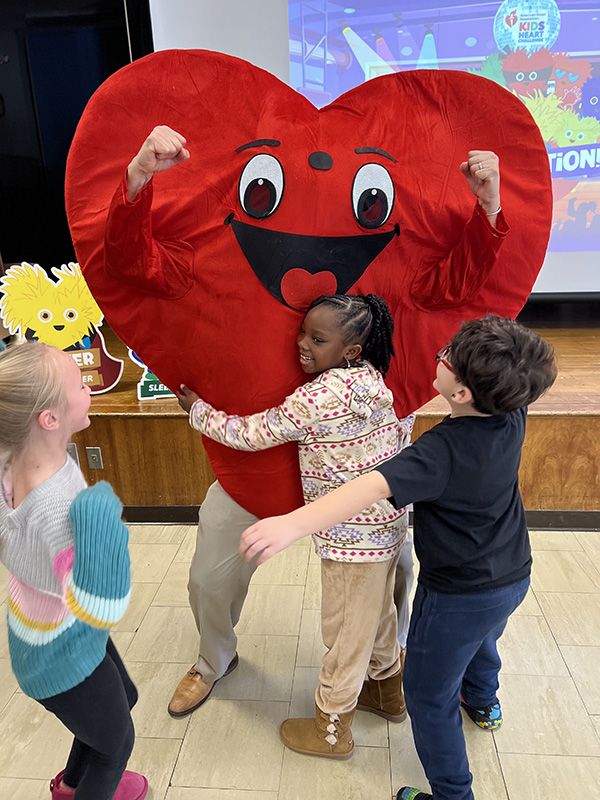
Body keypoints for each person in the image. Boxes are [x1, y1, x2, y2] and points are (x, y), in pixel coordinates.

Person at [106, 126, 508, 721]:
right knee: (210, 576)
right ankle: (214, 660)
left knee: (391, 572)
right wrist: (138, 177)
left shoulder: (372, 303)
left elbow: (456, 282)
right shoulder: (222, 256)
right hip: (256, 473)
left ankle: (381, 676)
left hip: (350, 494)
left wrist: (489, 204)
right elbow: (137, 264)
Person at [239, 315, 557, 799]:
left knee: (429, 697)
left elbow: (367, 487)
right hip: (513, 574)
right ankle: (485, 703)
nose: (439, 358)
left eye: (447, 359)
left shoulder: (440, 452)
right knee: (483, 642)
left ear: (464, 394)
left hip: (455, 594)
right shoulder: (513, 409)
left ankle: (453, 793)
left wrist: (291, 524)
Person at [176, 293, 415, 757]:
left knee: (345, 634)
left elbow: (250, 434)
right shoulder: (373, 379)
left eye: (317, 338)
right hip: (388, 527)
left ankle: (332, 730)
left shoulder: (315, 397)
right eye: (303, 331)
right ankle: (388, 694)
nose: (302, 343)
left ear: (350, 350)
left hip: (351, 542)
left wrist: (197, 411)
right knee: (378, 616)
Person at [0, 342, 148, 800]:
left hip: (42, 632)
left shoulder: (11, 463)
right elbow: (98, 604)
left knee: (124, 701)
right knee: (115, 743)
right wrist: (104, 528)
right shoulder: (59, 507)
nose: (88, 389)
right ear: (49, 418)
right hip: (61, 650)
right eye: (80, 385)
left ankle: (70, 786)